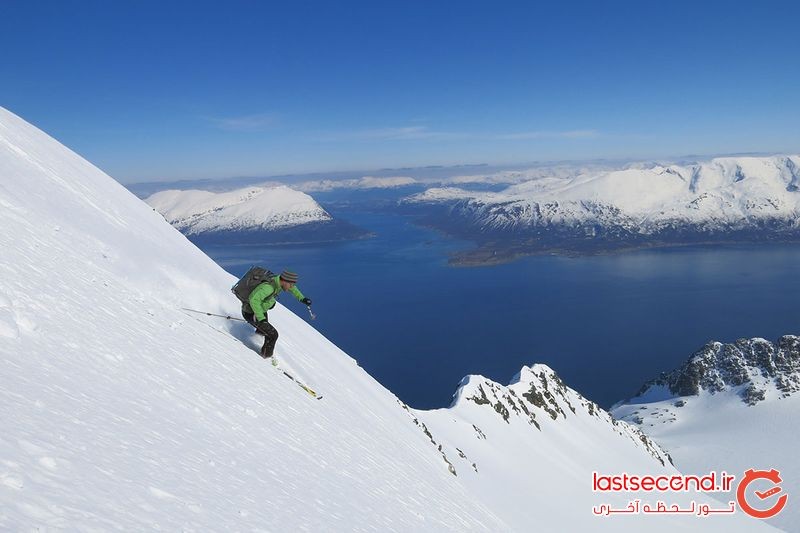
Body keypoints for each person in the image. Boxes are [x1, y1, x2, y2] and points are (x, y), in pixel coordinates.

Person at [241, 270, 312, 359]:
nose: (291, 287)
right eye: (291, 284)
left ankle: (258, 340)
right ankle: (265, 358)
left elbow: (293, 289)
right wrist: (261, 319)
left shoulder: (278, 282)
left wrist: (302, 298)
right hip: (250, 313)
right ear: (285, 281)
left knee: (264, 330)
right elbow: (254, 300)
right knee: (273, 335)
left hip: (260, 311)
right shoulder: (268, 288)